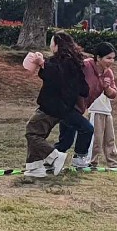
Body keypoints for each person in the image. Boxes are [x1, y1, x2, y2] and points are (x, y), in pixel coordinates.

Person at [22, 31, 94, 178]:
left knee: (32, 133)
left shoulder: (58, 62)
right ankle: (35, 168)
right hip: (65, 108)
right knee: (38, 135)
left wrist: (43, 64)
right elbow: (84, 89)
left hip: (50, 106)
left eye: (51, 43)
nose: (50, 46)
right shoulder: (75, 63)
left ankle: (54, 156)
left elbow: (55, 77)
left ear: (57, 45)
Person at [81, 41, 117, 168]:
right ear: (98, 58)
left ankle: (113, 163)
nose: (111, 61)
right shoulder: (87, 66)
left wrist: (107, 88)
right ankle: (90, 162)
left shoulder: (108, 72)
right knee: (95, 139)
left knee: (110, 139)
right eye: (108, 58)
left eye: (113, 58)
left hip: (106, 110)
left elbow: (113, 94)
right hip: (94, 110)